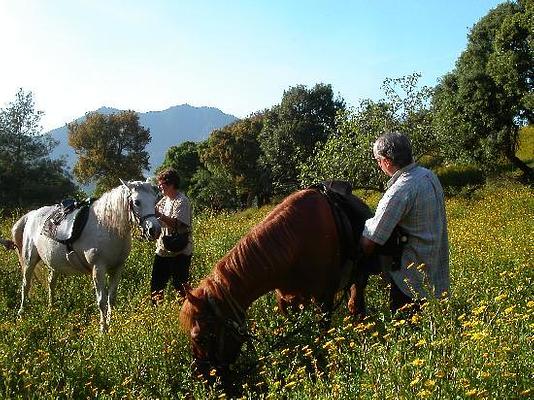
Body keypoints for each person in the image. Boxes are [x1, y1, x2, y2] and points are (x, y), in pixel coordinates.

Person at [360, 132, 449, 314]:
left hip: (410, 284)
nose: (378, 165)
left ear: (386, 161)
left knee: (410, 332)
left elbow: (371, 240)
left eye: (377, 160)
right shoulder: (429, 176)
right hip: (437, 278)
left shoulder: (400, 190)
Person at [151, 168, 193, 305]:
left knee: (180, 285)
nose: (159, 187)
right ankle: (157, 309)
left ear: (170, 184)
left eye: (161, 184)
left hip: (180, 249)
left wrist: (159, 215)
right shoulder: (163, 201)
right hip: (163, 249)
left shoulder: (182, 201)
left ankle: (187, 309)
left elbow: (178, 224)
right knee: (156, 285)